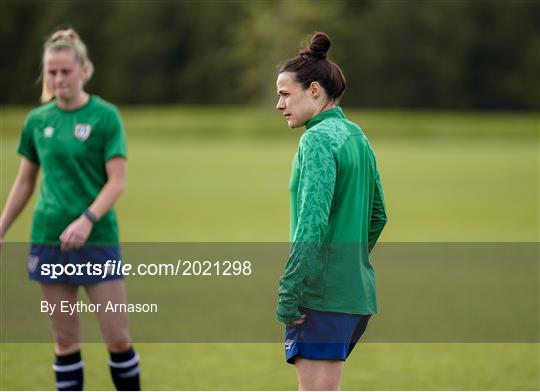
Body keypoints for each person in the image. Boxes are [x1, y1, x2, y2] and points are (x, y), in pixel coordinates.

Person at [0, 28, 141, 391]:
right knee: (65, 343)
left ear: (83, 70)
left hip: (96, 240)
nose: (58, 78)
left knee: (118, 339)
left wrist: (87, 220)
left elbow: (117, 181)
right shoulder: (37, 121)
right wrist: (1, 227)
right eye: (51, 72)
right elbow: (25, 182)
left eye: (65, 71)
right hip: (48, 239)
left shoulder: (105, 117)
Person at [275, 32, 387, 391]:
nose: (279, 104)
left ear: (313, 91)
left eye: (284, 93)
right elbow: (378, 215)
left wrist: (289, 292)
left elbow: (312, 223)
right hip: (355, 294)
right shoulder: (357, 136)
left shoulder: (317, 139)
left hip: (321, 296)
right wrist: (348, 261)